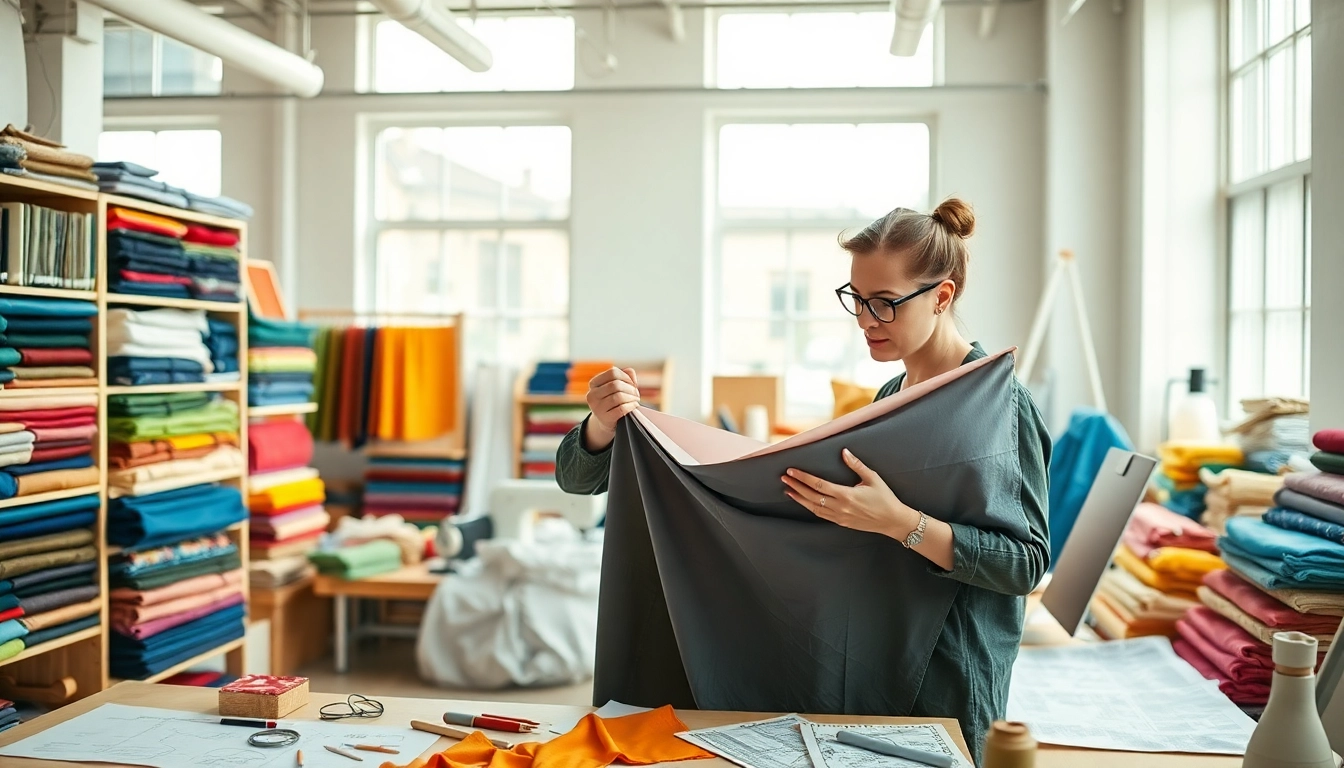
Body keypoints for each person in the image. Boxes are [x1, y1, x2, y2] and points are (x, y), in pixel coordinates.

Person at [555, 198, 1050, 754]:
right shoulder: (890, 398)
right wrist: (606, 428)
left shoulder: (1002, 406)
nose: (865, 320)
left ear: (942, 296)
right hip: (874, 672)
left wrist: (903, 523)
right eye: (856, 299)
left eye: (885, 303)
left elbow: (1027, 563)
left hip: (952, 682)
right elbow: (575, 480)